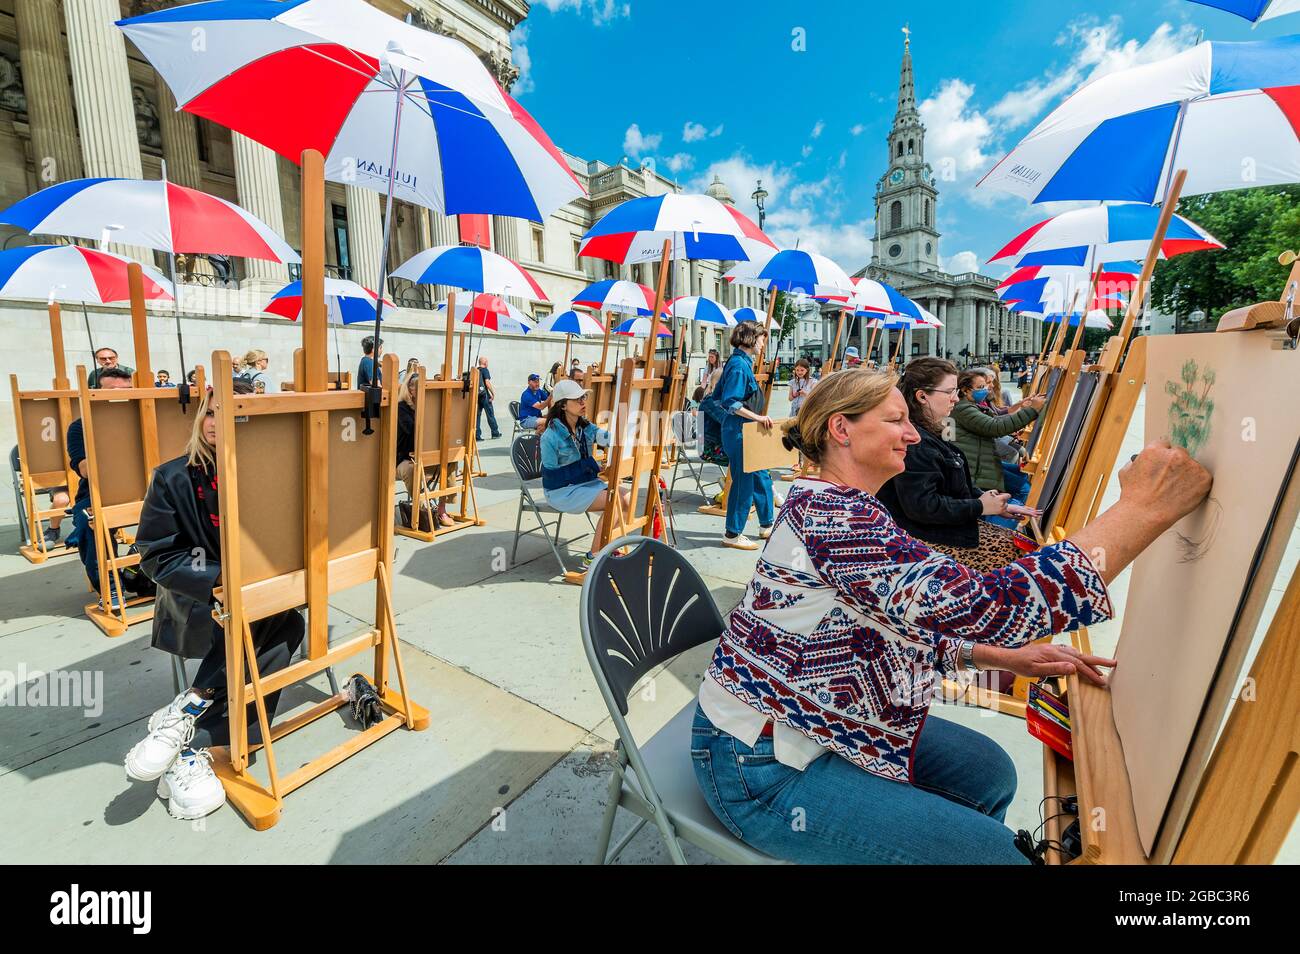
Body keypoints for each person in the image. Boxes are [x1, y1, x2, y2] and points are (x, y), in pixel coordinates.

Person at [689, 367, 1212, 864]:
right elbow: (996, 605)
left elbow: (878, 627)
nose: (912, 436)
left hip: (798, 727)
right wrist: (1143, 509)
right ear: (841, 429)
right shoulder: (837, 517)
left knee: (989, 773)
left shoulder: (844, 505)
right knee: (997, 856)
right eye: (895, 421)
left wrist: (991, 655)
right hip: (762, 767)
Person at [127, 379, 306, 821]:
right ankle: (216, 734)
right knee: (281, 624)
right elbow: (156, 556)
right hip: (199, 603)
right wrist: (223, 579)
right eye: (210, 411)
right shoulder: (172, 477)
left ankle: (194, 715)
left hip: (260, 595)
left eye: (231, 413)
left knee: (277, 616)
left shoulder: (271, 473)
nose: (215, 422)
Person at [540, 379, 628, 568]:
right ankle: (593, 556)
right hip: (561, 492)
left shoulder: (585, 427)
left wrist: (628, 436)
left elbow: (606, 438)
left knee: (626, 497)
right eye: (577, 399)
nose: (583, 402)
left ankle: (606, 547)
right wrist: (590, 466)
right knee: (615, 501)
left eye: (584, 397)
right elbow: (552, 479)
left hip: (584, 485)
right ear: (563, 405)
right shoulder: (550, 437)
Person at [65, 367, 135, 604]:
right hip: (97, 496)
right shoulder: (79, 427)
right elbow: (84, 469)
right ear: (95, 394)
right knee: (88, 524)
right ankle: (110, 585)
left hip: (146, 492)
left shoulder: (143, 418)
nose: (121, 397)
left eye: (127, 391)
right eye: (112, 392)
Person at [709, 320, 775, 550]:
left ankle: (767, 524)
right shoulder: (738, 365)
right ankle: (732, 533)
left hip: (743, 430)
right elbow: (729, 401)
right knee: (743, 483)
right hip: (739, 431)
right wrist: (757, 418)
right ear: (750, 338)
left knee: (760, 476)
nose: (763, 344)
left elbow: (718, 396)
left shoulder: (740, 362)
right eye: (761, 339)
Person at [952, 369, 1042, 525]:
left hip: (980, 464)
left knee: (1020, 475)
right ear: (965, 390)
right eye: (981, 387)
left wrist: (1024, 408)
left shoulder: (971, 406)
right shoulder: (963, 408)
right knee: (1023, 489)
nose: (986, 389)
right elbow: (995, 426)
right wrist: (1032, 410)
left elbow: (996, 420)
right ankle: (1003, 527)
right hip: (977, 470)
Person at [395, 372, 455, 529]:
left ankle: (441, 509)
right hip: (403, 459)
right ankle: (425, 510)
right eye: (419, 388)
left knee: (449, 463)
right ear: (410, 389)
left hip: (425, 457)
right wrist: (427, 415)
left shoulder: (429, 407)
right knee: (410, 469)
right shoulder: (402, 408)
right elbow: (411, 431)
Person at [475, 355, 501, 441]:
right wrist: (493, 393)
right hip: (485, 396)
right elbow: (487, 382)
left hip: (477, 396)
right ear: (485, 363)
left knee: (477, 416)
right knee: (490, 415)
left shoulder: (476, 371)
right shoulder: (485, 370)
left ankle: (477, 436)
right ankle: (495, 433)